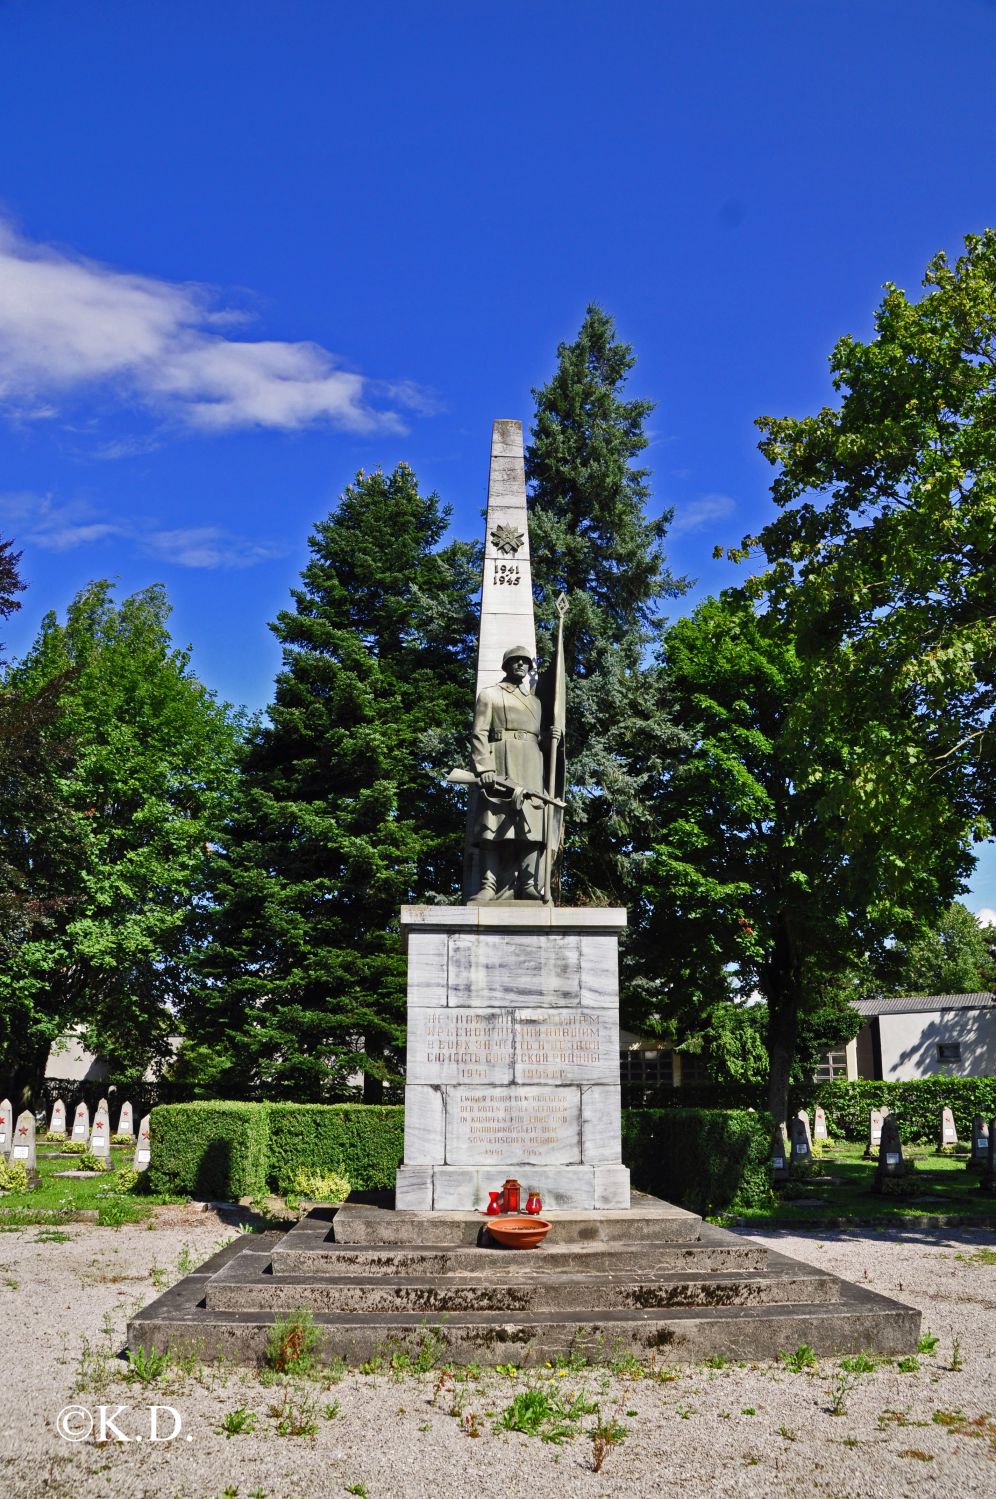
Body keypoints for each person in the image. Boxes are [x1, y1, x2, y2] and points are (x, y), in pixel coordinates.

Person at [469, 645, 556, 901]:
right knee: (491, 822)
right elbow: (479, 733)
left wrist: (552, 740)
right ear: (505, 665)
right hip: (499, 760)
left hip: (531, 761)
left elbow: (539, 740)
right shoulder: (490, 695)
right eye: (515, 660)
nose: (520, 664)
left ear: (530, 667)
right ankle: (488, 886)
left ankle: (528, 884)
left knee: (531, 823)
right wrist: (484, 767)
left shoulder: (536, 702)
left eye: (525, 661)